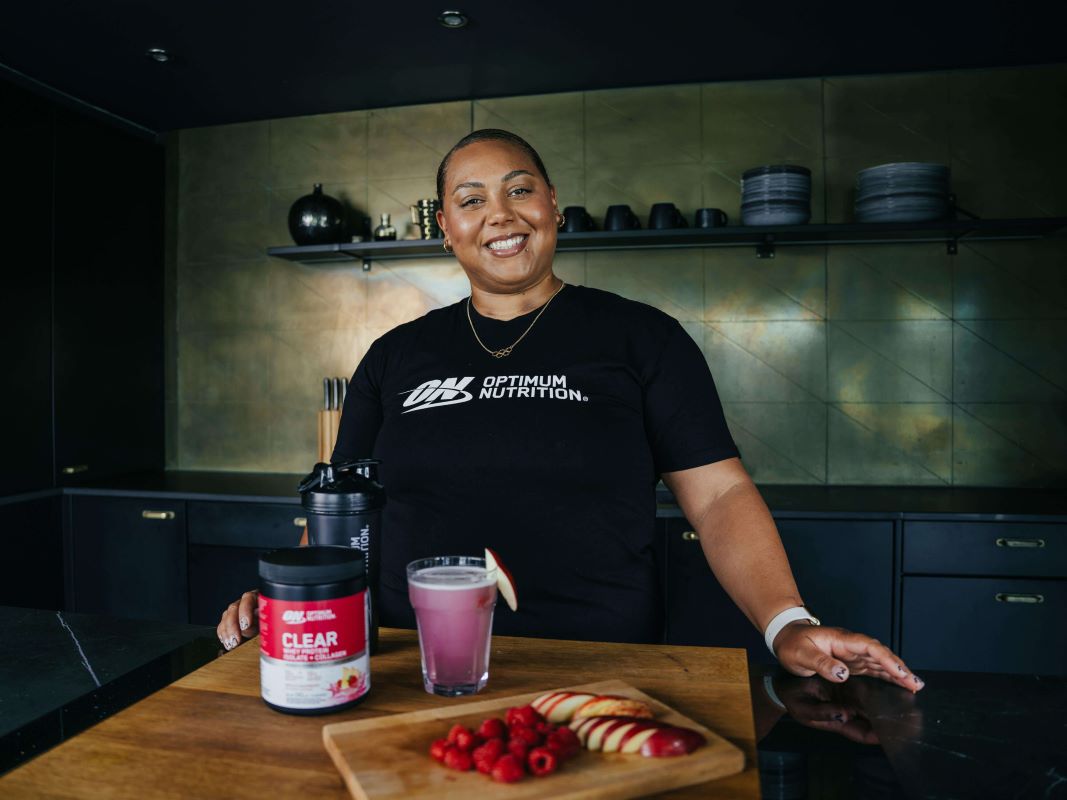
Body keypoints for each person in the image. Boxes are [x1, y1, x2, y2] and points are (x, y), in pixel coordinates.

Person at [218, 129, 923, 694]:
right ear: (445, 229)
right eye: (471, 199)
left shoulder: (639, 337)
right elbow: (343, 511)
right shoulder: (396, 356)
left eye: (519, 189)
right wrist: (297, 602)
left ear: (552, 205)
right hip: (417, 672)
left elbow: (719, 495)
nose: (499, 213)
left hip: (602, 669)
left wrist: (787, 624)